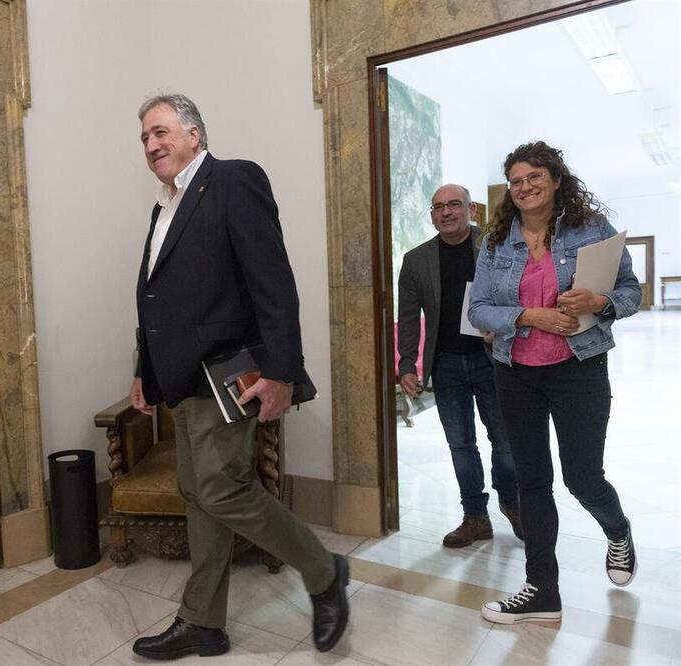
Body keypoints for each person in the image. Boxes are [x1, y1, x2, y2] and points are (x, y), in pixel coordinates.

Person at [128, 93, 349, 659]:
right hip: (179, 377)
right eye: (145, 138)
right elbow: (155, 300)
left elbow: (272, 281)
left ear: (195, 134)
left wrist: (280, 372)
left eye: (161, 132)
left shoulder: (234, 180)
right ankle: (203, 622)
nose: (152, 145)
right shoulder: (164, 206)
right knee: (197, 494)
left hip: (229, 373)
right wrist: (145, 374)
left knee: (223, 489)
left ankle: (325, 572)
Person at [469, 141, 641, 624]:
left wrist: (600, 304)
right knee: (532, 482)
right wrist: (530, 315)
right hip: (514, 372)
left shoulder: (591, 230)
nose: (524, 187)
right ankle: (542, 589)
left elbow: (631, 290)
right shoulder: (496, 242)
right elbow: (478, 308)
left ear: (556, 180)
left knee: (583, 477)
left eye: (533, 178)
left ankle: (618, 530)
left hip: (579, 369)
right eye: (516, 181)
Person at [397, 184, 522, 548]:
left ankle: (512, 503)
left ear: (471, 210)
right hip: (447, 365)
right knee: (460, 444)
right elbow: (407, 318)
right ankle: (475, 517)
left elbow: (518, 295)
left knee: (505, 442)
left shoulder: (495, 247)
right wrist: (407, 363)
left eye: (454, 205)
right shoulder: (416, 260)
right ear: (432, 215)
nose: (446, 212)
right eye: (438, 207)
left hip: (494, 361)